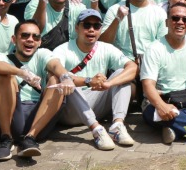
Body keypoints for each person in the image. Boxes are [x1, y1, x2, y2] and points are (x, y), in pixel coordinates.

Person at [51, 8, 138, 149]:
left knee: (121, 74)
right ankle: (96, 130)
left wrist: (109, 83)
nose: (91, 30)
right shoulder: (63, 49)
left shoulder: (106, 48)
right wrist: (88, 80)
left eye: (96, 26)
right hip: (71, 111)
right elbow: (55, 69)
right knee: (67, 80)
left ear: (100, 29)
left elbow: (133, 68)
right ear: (77, 28)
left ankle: (117, 125)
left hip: (96, 104)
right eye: (87, 25)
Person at [0, 21, 69, 161]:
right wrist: (21, 73)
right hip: (11, 117)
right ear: (14, 39)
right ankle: (6, 138)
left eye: (35, 37)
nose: (30, 39)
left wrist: (65, 77)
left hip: (38, 119)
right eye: (25, 35)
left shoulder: (42, 54)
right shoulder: (2, 56)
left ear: (40, 42)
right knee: (5, 77)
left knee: (56, 79)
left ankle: (30, 138)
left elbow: (55, 65)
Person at [140, 7, 186, 143]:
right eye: (175, 18)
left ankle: (178, 130)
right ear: (166, 22)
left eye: (185, 19)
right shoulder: (154, 49)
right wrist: (161, 106)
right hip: (161, 100)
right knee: (160, 114)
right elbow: (148, 85)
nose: (180, 22)